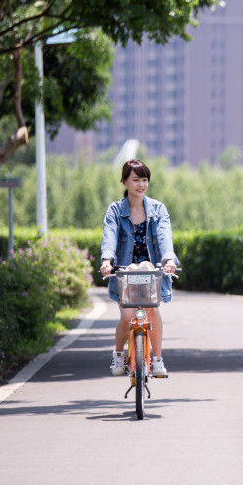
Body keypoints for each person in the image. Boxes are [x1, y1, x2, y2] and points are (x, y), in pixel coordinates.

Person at [99, 159, 178, 377]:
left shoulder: (158, 209)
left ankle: (158, 360)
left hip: (151, 270)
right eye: (136, 180)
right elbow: (110, 236)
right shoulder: (115, 210)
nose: (141, 184)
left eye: (144, 180)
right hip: (124, 271)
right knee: (126, 317)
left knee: (152, 310)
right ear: (124, 181)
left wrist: (169, 259)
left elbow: (164, 237)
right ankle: (118, 355)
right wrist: (107, 261)